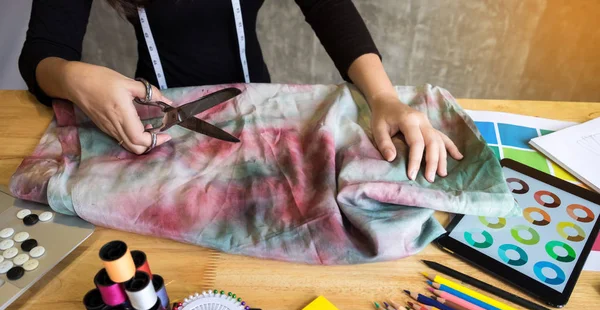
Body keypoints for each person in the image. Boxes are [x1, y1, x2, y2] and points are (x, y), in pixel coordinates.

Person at [19, 0, 462, 182]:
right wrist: (75, 78)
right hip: (157, 117)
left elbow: (330, 10)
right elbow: (41, 53)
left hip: (259, 109)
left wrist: (383, 97)